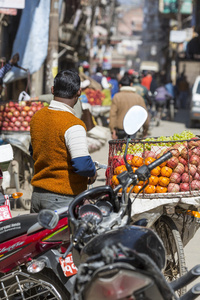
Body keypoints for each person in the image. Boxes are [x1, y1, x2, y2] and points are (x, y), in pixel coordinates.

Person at [30, 69, 97, 213]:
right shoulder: (73, 124)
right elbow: (83, 165)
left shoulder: (37, 117)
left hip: (37, 195)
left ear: (52, 89)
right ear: (79, 92)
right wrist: (93, 172)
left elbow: (33, 151)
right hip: (61, 199)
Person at [109, 75, 149, 140]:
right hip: (133, 129)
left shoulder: (117, 97)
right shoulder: (138, 97)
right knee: (130, 148)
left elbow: (112, 114)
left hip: (120, 129)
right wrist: (145, 130)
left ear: (120, 85)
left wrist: (112, 130)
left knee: (120, 149)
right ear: (131, 84)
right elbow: (144, 115)